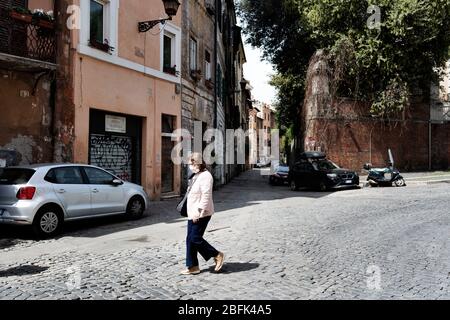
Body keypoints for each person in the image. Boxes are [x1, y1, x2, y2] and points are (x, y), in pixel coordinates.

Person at [180, 153, 225, 275]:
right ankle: (193, 266)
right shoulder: (196, 175)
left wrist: (199, 212)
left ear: (198, 163)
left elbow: (206, 196)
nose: (190, 166)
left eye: (191, 163)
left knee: (195, 238)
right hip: (192, 212)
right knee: (190, 239)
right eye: (189, 163)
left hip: (202, 213)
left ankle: (217, 254)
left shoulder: (206, 176)